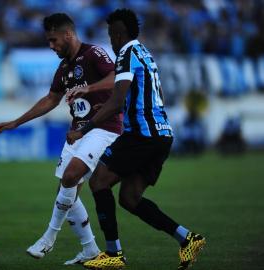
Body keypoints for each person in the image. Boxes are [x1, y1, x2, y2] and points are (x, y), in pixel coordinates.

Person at [67, 9, 206, 270]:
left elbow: (118, 99)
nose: (110, 40)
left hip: (142, 135)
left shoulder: (126, 54)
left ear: (118, 34)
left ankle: (113, 254)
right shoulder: (145, 53)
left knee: (99, 182)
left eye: (111, 35)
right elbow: (152, 93)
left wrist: (82, 129)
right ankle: (187, 238)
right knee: (130, 198)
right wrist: (113, 108)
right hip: (162, 134)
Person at [0, 13, 122, 265]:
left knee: (70, 177)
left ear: (68, 34)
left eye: (53, 40)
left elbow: (116, 78)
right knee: (67, 193)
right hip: (77, 132)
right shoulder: (64, 68)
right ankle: (90, 250)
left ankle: (48, 237)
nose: (51, 46)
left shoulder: (94, 53)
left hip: (104, 127)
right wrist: (17, 122)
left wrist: (90, 88)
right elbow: (51, 99)